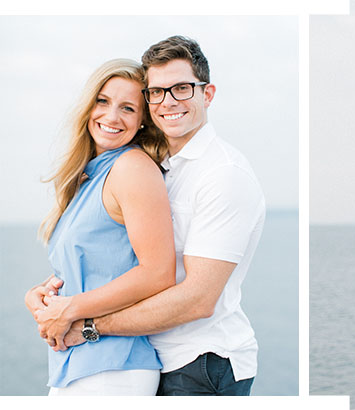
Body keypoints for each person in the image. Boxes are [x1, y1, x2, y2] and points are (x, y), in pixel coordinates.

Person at [28, 35, 267, 396]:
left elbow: (198, 299)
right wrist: (47, 296)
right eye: (157, 92)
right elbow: (113, 255)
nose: (168, 101)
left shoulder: (223, 175)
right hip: (154, 354)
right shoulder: (159, 167)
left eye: (182, 88)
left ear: (208, 94)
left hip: (201, 362)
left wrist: (88, 324)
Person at [21, 58, 176, 395]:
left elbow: (158, 272)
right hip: (79, 365)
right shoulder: (91, 175)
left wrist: (69, 309)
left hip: (113, 368)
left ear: (143, 120)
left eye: (128, 108)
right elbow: (97, 266)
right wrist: (41, 296)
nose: (111, 116)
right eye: (103, 101)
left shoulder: (131, 167)